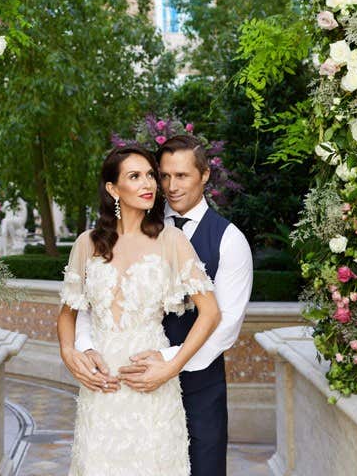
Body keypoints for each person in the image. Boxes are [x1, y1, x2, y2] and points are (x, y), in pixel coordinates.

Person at [74, 135, 253, 476]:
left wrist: (167, 363)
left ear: (204, 176)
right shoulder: (132, 226)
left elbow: (225, 325)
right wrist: (84, 348)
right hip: (126, 382)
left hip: (198, 386)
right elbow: (94, 300)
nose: (170, 186)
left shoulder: (230, 240)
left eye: (182, 176)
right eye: (164, 175)